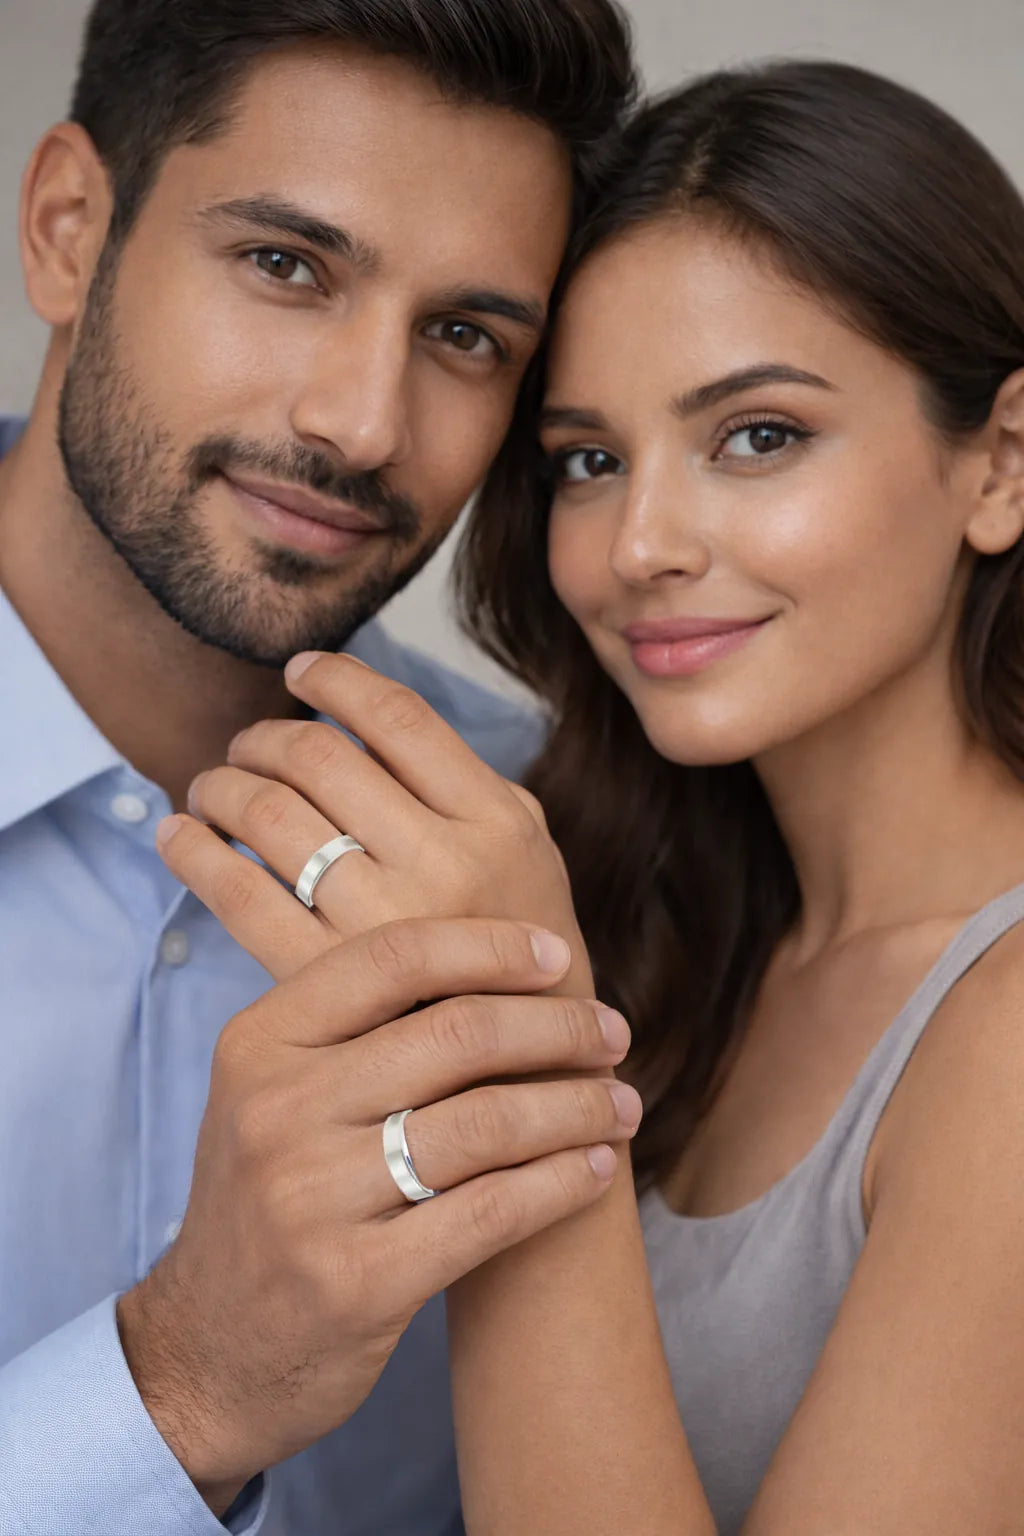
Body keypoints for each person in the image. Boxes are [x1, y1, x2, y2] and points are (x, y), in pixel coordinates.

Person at [174, 60, 1024, 1532]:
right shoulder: (690, 931)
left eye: (759, 435)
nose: (639, 545)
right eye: (587, 460)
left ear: (1004, 463)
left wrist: (508, 1081)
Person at [0, 2, 637, 1532]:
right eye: (287, 266)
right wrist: (185, 1382)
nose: (360, 425)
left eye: (466, 336)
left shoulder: (572, 847)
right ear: (69, 228)